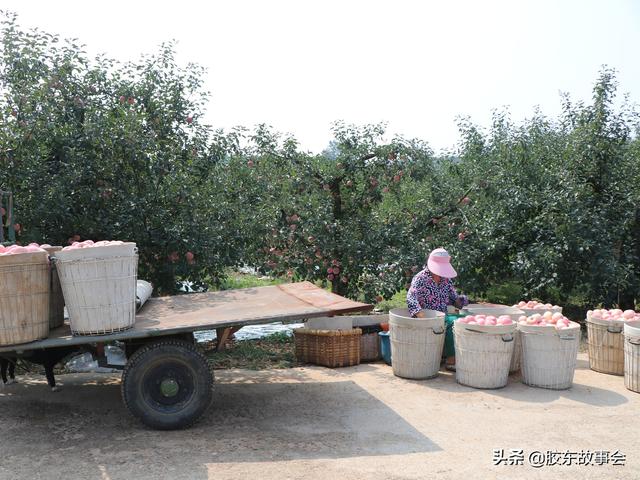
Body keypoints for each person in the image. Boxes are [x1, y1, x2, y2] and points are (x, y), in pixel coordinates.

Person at [406, 248, 468, 370]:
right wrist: (419, 313)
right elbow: (410, 297)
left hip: (442, 316)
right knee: (452, 324)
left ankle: (457, 355)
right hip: (427, 317)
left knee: (463, 321)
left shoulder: (446, 280)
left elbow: (453, 298)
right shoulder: (421, 278)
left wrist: (461, 300)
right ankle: (450, 359)